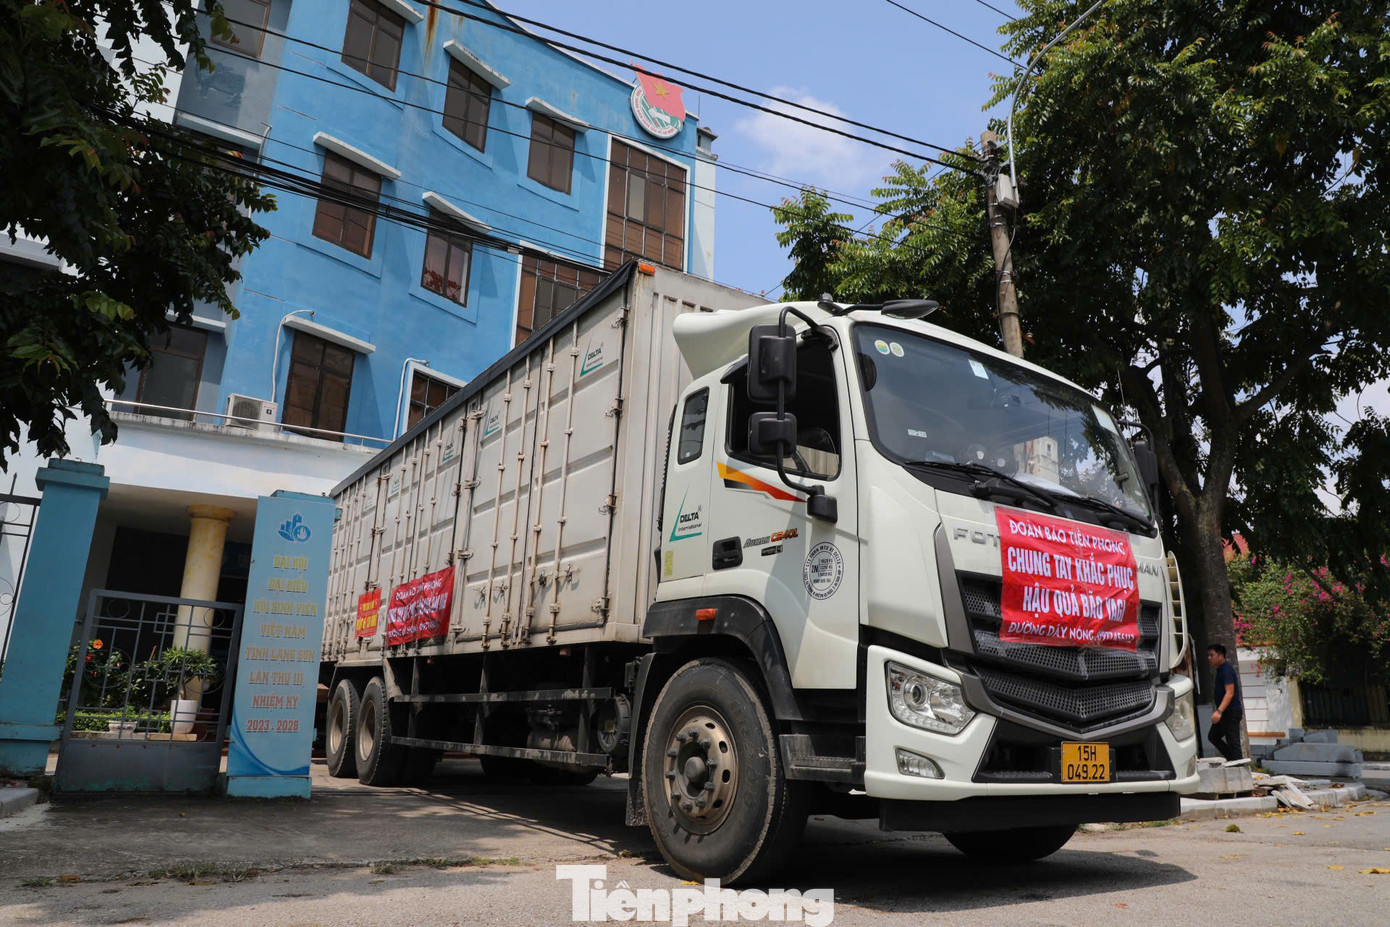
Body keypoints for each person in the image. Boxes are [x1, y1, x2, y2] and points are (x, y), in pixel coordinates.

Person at [1206, 643, 1243, 762]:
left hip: (1230, 712)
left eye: (1212, 655)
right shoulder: (1220, 670)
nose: (1209, 658)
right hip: (1225, 713)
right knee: (1213, 736)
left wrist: (1219, 711)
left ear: (1221, 656)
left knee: (1233, 742)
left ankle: (1238, 767)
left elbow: (1230, 693)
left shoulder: (1226, 670)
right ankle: (1232, 760)